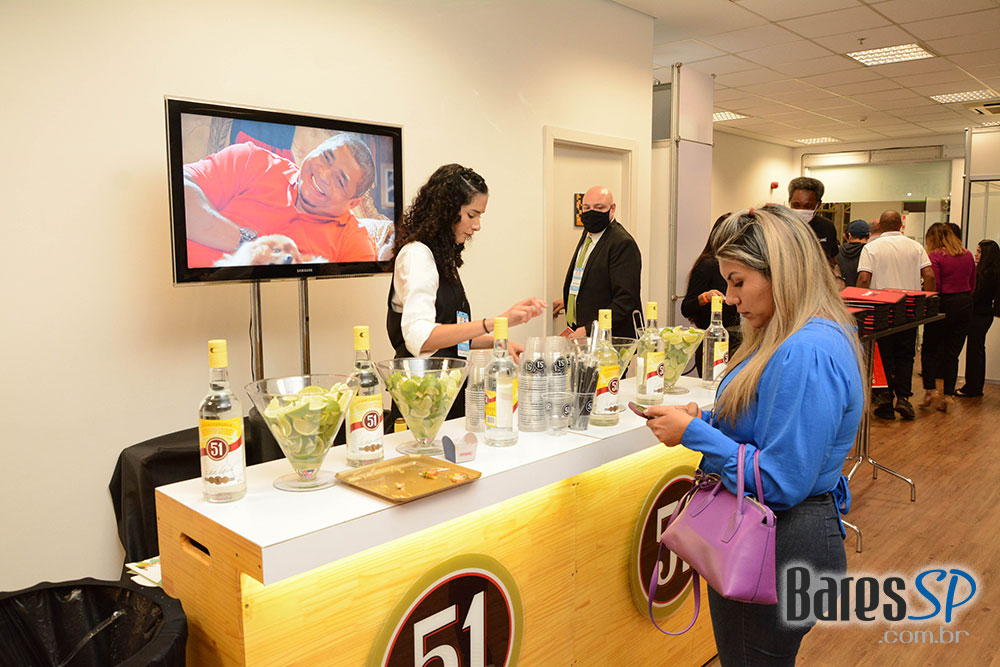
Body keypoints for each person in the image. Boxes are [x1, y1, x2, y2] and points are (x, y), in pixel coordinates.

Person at [640, 205, 864, 665]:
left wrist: (695, 435)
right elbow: (768, 421)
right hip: (783, 538)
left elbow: (779, 481)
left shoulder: (805, 350)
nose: (729, 297)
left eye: (738, 282)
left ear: (781, 272)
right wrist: (708, 418)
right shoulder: (801, 336)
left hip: (778, 541)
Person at [386, 164, 546, 418]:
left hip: (448, 391)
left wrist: (497, 343)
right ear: (447, 211)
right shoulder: (417, 255)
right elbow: (421, 339)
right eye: (472, 215)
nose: (478, 225)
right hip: (421, 400)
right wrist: (495, 323)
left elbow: (449, 334)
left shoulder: (441, 259)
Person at [183, 133, 378, 266]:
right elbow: (179, 187)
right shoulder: (251, 159)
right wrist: (251, 246)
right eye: (326, 158)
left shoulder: (354, 243)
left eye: (340, 181)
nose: (323, 175)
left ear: (353, 203)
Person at [856, 210, 936, 420]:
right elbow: (929, 275)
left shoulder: (871, 248)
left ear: (880, 227)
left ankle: (885, 402)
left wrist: (859, 304)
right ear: (901, 225)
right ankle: (903, 398)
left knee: (883, 357)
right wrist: (925, 304)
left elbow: (864, 279)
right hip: (908, 309)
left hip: (880, 310)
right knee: (906, 355)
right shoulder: (916, 246)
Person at [552, 186, 641, 338]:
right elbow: (594, 280)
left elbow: (625, 300)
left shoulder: (622, 243)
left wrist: (588, 330)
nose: (592, 213)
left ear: (612, 209)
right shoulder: (588, 234)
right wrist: (570, 300)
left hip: (610, 339)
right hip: (581, 333)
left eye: (599, 208)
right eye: (587, 208)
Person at [919, 224, 976, 412]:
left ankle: (930, 390)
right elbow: (972, 282)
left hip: (943, 303)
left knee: (929, 349)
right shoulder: (967, 255)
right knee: (952, 353)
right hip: (965, 303)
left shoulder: (935, 256)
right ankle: (948, 395)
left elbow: (935, 284)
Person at [681, 213, 740, 375]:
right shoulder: (708, 265)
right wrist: (705, 297)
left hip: (737, 341)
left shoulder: (740, 267)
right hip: (713, 343)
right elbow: (687, 307)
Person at [959, 240, 1000, 397]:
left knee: (975, 351)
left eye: (979, 251)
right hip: (984, 315)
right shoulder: (992, 272)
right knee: (977, 350)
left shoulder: (986, 274)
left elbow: (976, 296)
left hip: (979, 315)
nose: (976, 254)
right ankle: (974, 386)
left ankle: (972, 387)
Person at [787, 177, 838, 261]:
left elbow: (832, 260)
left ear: (818, 205)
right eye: (796, 205)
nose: (801, 210)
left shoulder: (827, 227)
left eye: (808, 206)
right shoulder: (778, 226)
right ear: (789, 201)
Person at [835, 219, 871, 288]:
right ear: (869, 235)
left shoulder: (837, 251)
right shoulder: (869, 252)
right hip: (861, 292)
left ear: (849, 235)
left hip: (840, 292)